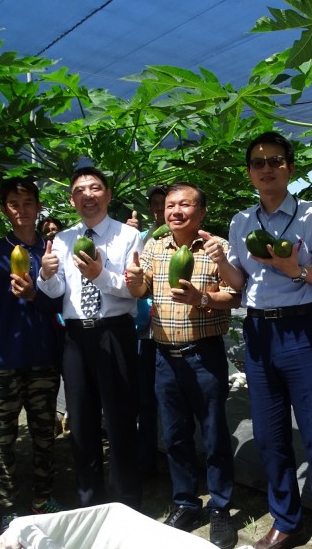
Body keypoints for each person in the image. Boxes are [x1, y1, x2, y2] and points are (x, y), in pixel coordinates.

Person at [220, 132, 312, 549]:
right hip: (257, 330)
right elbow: (240, 281)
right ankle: (286, 520)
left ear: (290, 168)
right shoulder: (240, 222)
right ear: (249, 173)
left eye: (275, 161)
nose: (267, 168)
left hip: (300, 327)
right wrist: (222, 263)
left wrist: (292, 267)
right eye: (258, 163)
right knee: (270, 435)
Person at [125, 182, 240, 549]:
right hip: (164, 355)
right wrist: (133, 281)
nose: (175, 211)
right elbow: (141, 289)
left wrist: (202, 297)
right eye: (170, 205)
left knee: (214, 432)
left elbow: (234, 297)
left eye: (185, 205)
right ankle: (185, 501)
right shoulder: (154, 245)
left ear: (201, 211)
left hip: (203, 353)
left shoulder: (216, 247)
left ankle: (221, 507)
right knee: (175, 435)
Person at [0, 179, 65, 528]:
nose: (22, 208)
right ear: (5, 209)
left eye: (28, 201)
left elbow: (58, 303)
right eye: (14, 203)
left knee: (43, 433)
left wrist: (35, 293)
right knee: (1, 439)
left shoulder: (51, 249)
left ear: (38, 206)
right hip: (3, 359)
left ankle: (42, 496)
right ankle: (6, 505)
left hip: (43, 358)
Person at [36, 166, 143, 509]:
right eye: (80, 190)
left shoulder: (129, 237)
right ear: (72, 199)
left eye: (95, 188)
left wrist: (99, 275)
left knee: (120, 418)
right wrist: (45, 275)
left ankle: (126, 499)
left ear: (108, 195)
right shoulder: (63, 239)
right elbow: (57, 292)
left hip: (115, 333)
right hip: (76, 338)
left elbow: (132, 290)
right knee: (80, 420)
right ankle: (89, 499)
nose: (88, 195)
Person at [126, 184, 168, 478]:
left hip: (172, 329)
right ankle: (147, 457)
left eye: (163, 203)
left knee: (168, 397)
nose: (158, 209)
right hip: (143, 331)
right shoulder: (139, 238)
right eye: (154, 204)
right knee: (144, 398)